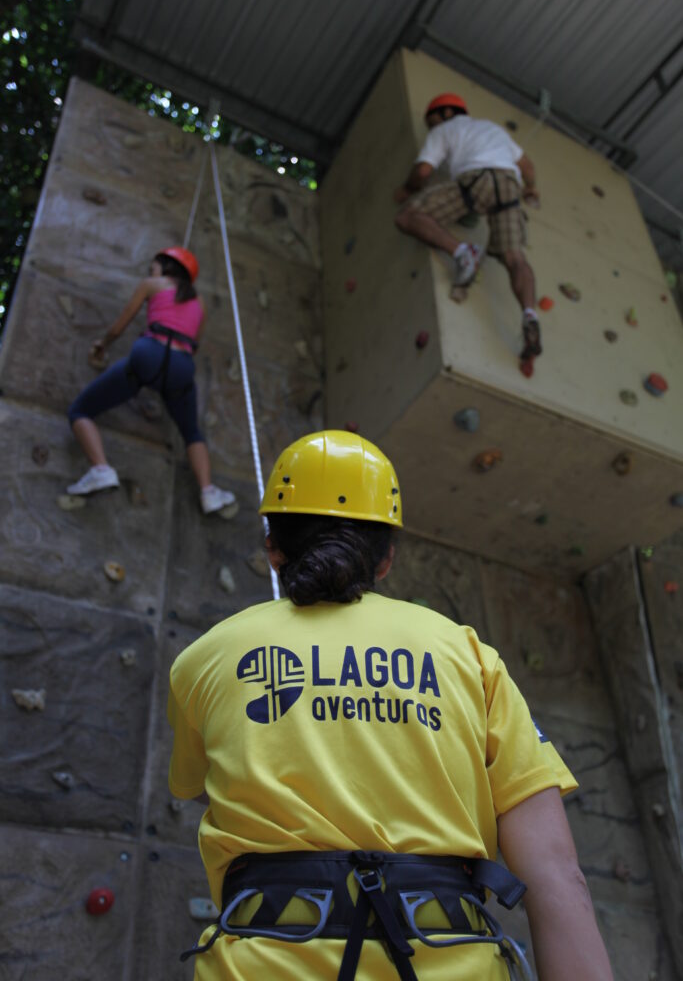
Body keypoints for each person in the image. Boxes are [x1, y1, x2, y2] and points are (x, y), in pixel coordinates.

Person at [167, 430, 614, 981]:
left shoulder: (202, 660)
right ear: (386, 560)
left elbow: (191, 786)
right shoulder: (470, 658)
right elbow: (555, 874)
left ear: (272, 549)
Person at [66, 246, 236, 515]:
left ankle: (100, 468)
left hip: (148, 355)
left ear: (167, 266)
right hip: (181, 366)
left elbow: (120, 325)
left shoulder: (152, 285)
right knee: (191, 431)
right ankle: (208, 492)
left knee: (80, 410)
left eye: (153, 266)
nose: (150, 272)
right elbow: (195, 344)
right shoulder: (199, 302)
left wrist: (103, 344)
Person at [394, 93, 542, 364]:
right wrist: (530, 189)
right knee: (515, 258)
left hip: (477, 181)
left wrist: (407, 188)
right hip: (510, 185)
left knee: (406, 217)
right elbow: (527, 166)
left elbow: (423, 172)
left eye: (432, 121)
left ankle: (463, 253)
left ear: (446, 113)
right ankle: (530, 315)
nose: (431, 128)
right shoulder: (492, 129)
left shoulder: (446, 130)